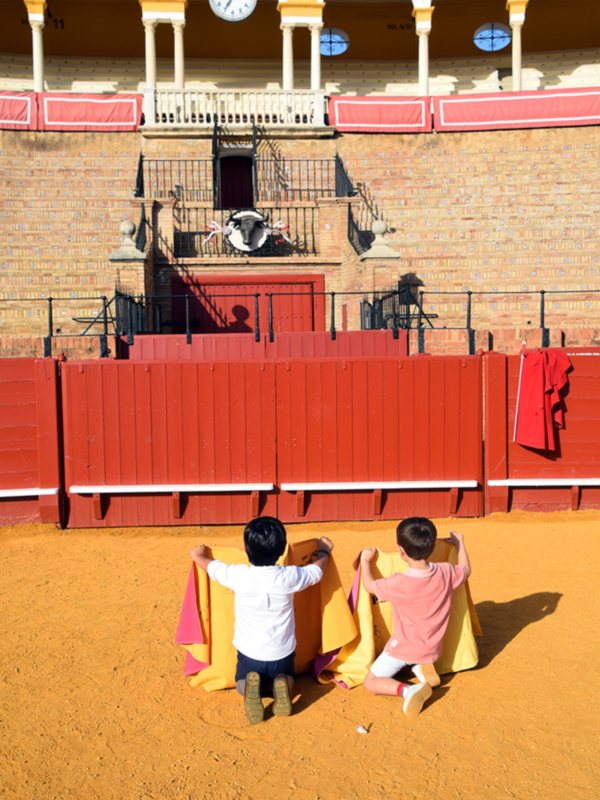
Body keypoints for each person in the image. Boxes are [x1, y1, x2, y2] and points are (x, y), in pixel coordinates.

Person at [190, 516, 334, 725]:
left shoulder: (238, 575)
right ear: (283, 548)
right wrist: (323, 551)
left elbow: (212, 567)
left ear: (246, 550)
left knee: (241, 680)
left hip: (249, 653)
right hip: (281, 653)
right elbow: (316, 572)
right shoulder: (289, 576)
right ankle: (283, 682)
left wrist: (198, 556)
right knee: (288, 676)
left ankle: (249, 687)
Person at [359, 517, 471, 719]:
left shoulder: (399, 582)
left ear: (401, 551)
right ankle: (420, 667)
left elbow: (368, 586)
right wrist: (459, 543)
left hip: (403, 649)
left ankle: (408, 690)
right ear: (432, 546)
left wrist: (365, 560)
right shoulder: (446, 571)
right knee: (413, 658)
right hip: (433, 648)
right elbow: (465, 570)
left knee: (371, 682)